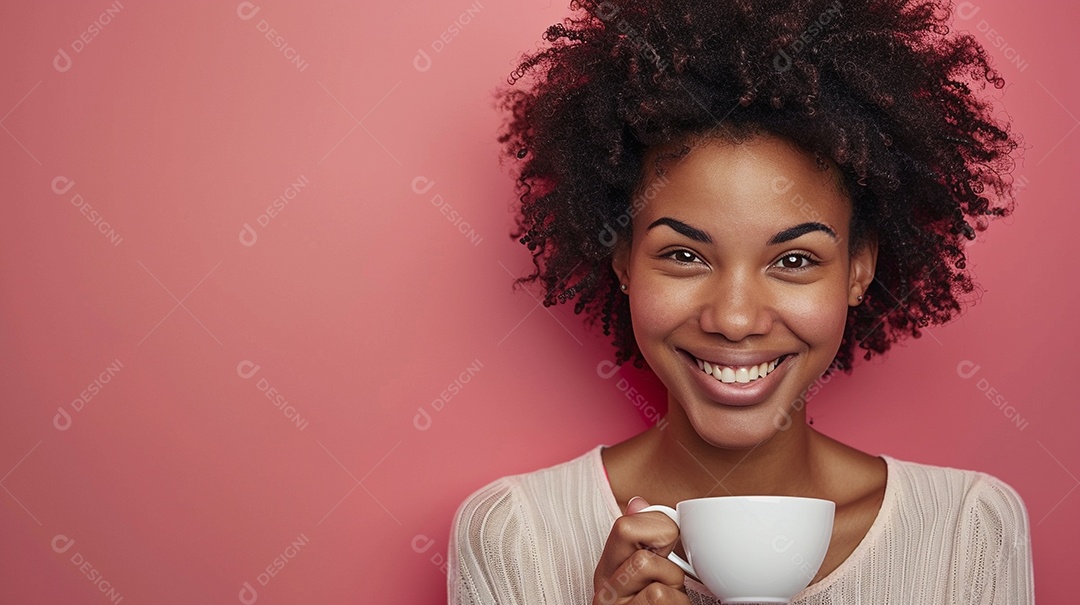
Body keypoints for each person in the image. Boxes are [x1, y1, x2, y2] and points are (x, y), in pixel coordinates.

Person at [448, 0, 1034, 602]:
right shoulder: (515, 536)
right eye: (683, 255)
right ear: (622, 257)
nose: (733, 319)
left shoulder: (968, 532)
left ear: (860, 269)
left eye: (794, 260)